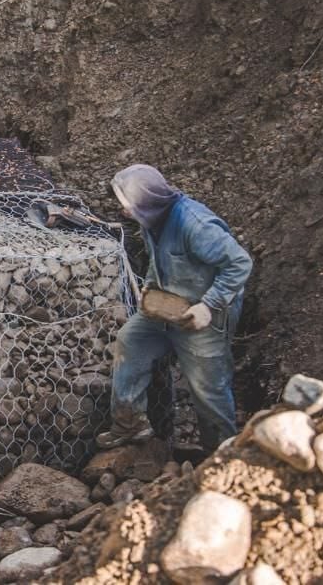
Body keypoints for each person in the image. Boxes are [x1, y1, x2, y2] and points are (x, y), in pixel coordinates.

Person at [97, 165, 253, 453]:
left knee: (208, 389)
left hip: (203, 316)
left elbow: (239, 263)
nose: (124, 211)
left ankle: (221, 455)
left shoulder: (195, 225)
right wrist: (151, 286)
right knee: (131, 341)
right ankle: (130, 423)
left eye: (127, 205)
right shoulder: (151, 219)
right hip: (167, 306)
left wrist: (209, 304)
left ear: (147, 200)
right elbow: (159, 259)